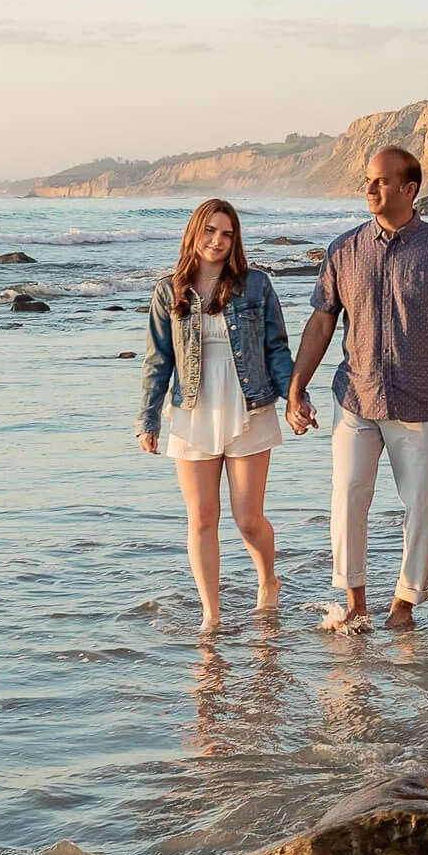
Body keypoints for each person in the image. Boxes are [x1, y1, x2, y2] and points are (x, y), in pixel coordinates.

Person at [287, 146, 428, 632]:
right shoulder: (343, 249)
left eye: (381, 182)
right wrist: (296, 387)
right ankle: (355, 601)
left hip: (422, 400)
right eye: (368, 179)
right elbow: (321, 323)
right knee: (346, 494)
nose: (370, 189)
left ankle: (404, 604)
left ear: (409, 190)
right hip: (356, 397)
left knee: (422, 504)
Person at [136, 198, 294, 633]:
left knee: (247, 519)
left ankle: (268, 581)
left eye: (226, 234)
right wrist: (147, 420)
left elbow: (277, 349)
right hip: (192, 411)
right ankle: (212, 614)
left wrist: (295, 398)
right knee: (202, 518)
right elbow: (158, 360)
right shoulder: (170, 292)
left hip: (250, 406)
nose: (218, 241)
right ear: (194, 233)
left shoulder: (257, 286)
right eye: (210, 231)